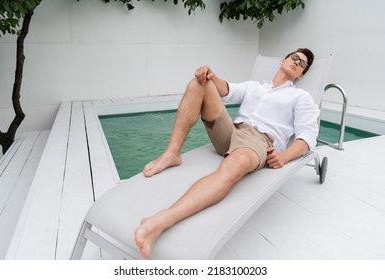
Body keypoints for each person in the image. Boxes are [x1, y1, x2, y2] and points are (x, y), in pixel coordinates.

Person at [135, 48, 319, 259]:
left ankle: (161, 220)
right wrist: (211, 75)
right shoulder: (255, 86)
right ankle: (172, 153)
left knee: (232, 168)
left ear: (301, 75)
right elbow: (227, 90)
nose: (296, 62)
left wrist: (284, 156)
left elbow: (308, 136)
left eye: (302, 64)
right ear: (283, 60)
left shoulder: (301, 97)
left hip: (258, 141)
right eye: (294, 57)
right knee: (200, 83)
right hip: (232, 130)